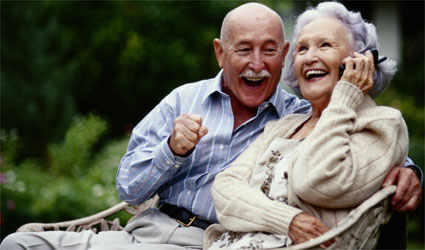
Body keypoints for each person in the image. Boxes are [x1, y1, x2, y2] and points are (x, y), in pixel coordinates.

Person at [0, 2, 421, 250]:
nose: (257, 65)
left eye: (269, 51)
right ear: (221, 53)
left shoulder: (294, 112)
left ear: (283, 55)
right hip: (146, 229)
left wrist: (411, 171)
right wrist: (172, 150)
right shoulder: (185, 100)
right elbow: (129, 188)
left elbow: (363, 141)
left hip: (210, 242)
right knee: (19, 244)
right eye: (243, 50)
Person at [203, 2, 420, 249]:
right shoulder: (284, 125)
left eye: (325, 45)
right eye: (302, 49)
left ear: (361, 61)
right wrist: (287, 220)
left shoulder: (381, 123)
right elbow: (224, 189)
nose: (309, 57)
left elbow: (314, 182)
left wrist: (346, 94)